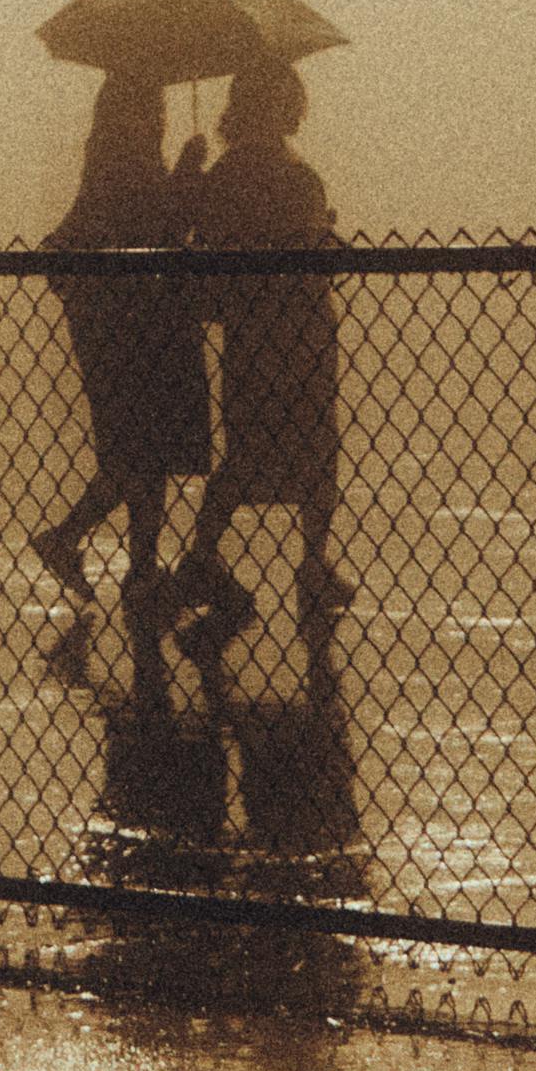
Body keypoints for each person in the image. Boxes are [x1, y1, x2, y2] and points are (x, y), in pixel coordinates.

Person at [165, 50, 345, 636]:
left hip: (251, 328)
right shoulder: (296, 173)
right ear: (286, 106)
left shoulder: (228, 173)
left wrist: (192, 173)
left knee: (247, 448)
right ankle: (312, 564)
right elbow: (312, 244)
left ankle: (203, 553)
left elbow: (210, 235)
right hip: (301, 327)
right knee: (316, 448)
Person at [30, 68, 208, 608]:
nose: (160, 116)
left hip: (119, 325)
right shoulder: (128, 167)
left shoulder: (107, 165)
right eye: (153, 106)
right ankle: (116, 556)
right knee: (142, 452)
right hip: (134, 327)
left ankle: (132, 561)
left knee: (138, 453)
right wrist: (187, 175)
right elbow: (156, 227)